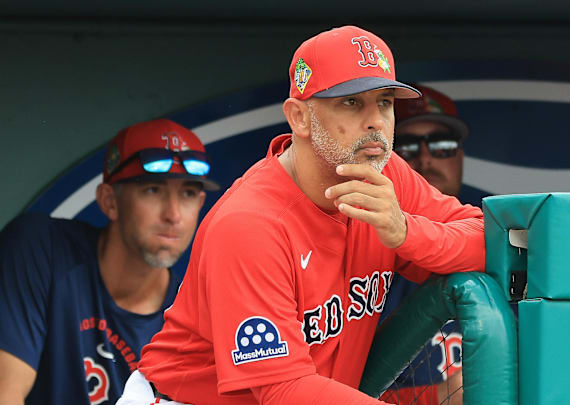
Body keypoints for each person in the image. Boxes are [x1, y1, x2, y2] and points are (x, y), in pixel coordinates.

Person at [117, 25, 485, 405]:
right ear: (300, 118)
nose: (376, 121)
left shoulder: (385, 175)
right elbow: (283, 390)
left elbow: (486, 239)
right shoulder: (250, 223)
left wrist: (407, 231)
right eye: (351, 103)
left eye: (386, 102)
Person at [0, 118, 219, 405]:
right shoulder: (41, 248)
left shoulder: (192, 322)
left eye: (188, 193)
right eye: (153, 189)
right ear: (109, 201)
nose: (174, 215)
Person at [379, 84, 470, 405]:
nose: (426, 159)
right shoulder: (368, 249)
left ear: (460, 155)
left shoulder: (497, 242)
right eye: (406, 147)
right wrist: (437, 398)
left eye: (442, 145)